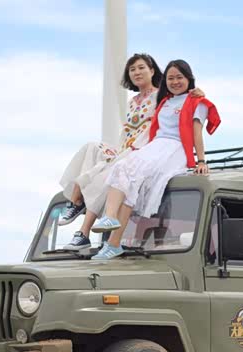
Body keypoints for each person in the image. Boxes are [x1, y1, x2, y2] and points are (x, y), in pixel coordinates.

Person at [57, 53, 204, 250]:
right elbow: (126, 132)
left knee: (108, 173)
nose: (137, 72)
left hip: (145, 149)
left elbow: (183, 95)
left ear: (152, 71)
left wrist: (197, 92)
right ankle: (76, 200)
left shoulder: (162, 96)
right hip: (126, 148)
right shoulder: (132, 101)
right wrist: (118, 151)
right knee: (91, 148)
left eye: (141, 67)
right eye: (132, 69)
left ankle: (84, 231)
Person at [89, 59, 221, 260]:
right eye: (170, 78)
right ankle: (111, 227)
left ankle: (113, 236)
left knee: (133, 174)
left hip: (175, 148)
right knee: (123, 170)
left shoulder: (197, 102)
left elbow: (196, 133)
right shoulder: (164, 101)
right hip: (156, 145)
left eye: (179, 77)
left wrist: (201, 161)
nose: (175, 82)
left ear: (189, 78)